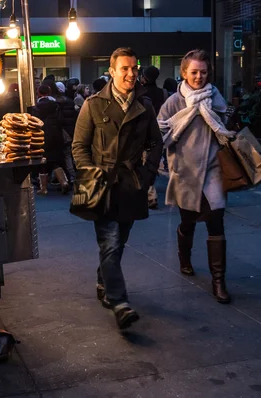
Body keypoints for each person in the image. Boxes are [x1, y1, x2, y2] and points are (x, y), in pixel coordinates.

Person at [72, 47, 163, 330]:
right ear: (112, 71)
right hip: (102, 185)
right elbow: (79, 146)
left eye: (134, 68)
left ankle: (103, 280)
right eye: (125, 68)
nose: (131, 73)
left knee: (118, 243)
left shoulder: (144, 105)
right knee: (110, 242)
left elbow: (155, 143)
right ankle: (119, 301)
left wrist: (147, 174)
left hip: (131, 185)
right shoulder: (94, 104)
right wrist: (92, 175)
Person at [157, 49, 236, 304]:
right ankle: (185, 258)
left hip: (213, 168)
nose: (199, 77)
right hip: (185, 171)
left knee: (216, 220)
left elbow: (223, 128)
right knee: (188, 221)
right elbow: (161, 131)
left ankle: (218, 280)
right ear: (184, 73)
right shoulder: (173, 102)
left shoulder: (216, 97)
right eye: (194, 72)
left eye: (203, 72)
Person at [140, 66, 168, 210]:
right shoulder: (163, 93)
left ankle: (150, 195)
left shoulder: (140, 94)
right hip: (160, 131)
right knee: (153, 160)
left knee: (145, 162)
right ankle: (150, 192)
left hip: (144, 131)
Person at [32, 84, 69, 195]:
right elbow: (61, 120)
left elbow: (34, 122)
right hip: (56, 135)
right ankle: (63, 182)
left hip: (41, 135)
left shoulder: (36, 107)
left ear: (38, 93)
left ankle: (44, 188)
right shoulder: (56, 105)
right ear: (49, 92)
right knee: (55, 160)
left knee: (43, 161)